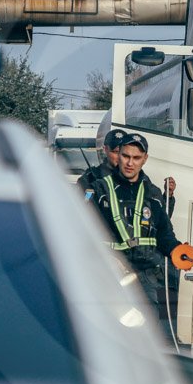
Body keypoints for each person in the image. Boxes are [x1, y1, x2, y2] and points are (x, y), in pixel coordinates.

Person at [90, 132, 184, 314]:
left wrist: (177, 250)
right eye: (125, 156)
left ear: (145, 159)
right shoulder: (99, 188)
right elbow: (83, 230)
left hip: (145, 273)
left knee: (148, 325)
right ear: (119, 155)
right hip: (111, 271)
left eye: (136, 158)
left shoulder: (152, 193)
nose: (130, 163)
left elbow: (164, 234)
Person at [78, 128, 176, 216]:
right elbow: (81, 213)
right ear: (105, 150)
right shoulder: (91, 178)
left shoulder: (141, 180)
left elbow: (160, 219)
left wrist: (168, 196)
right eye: (116, 152)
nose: (119, 157)